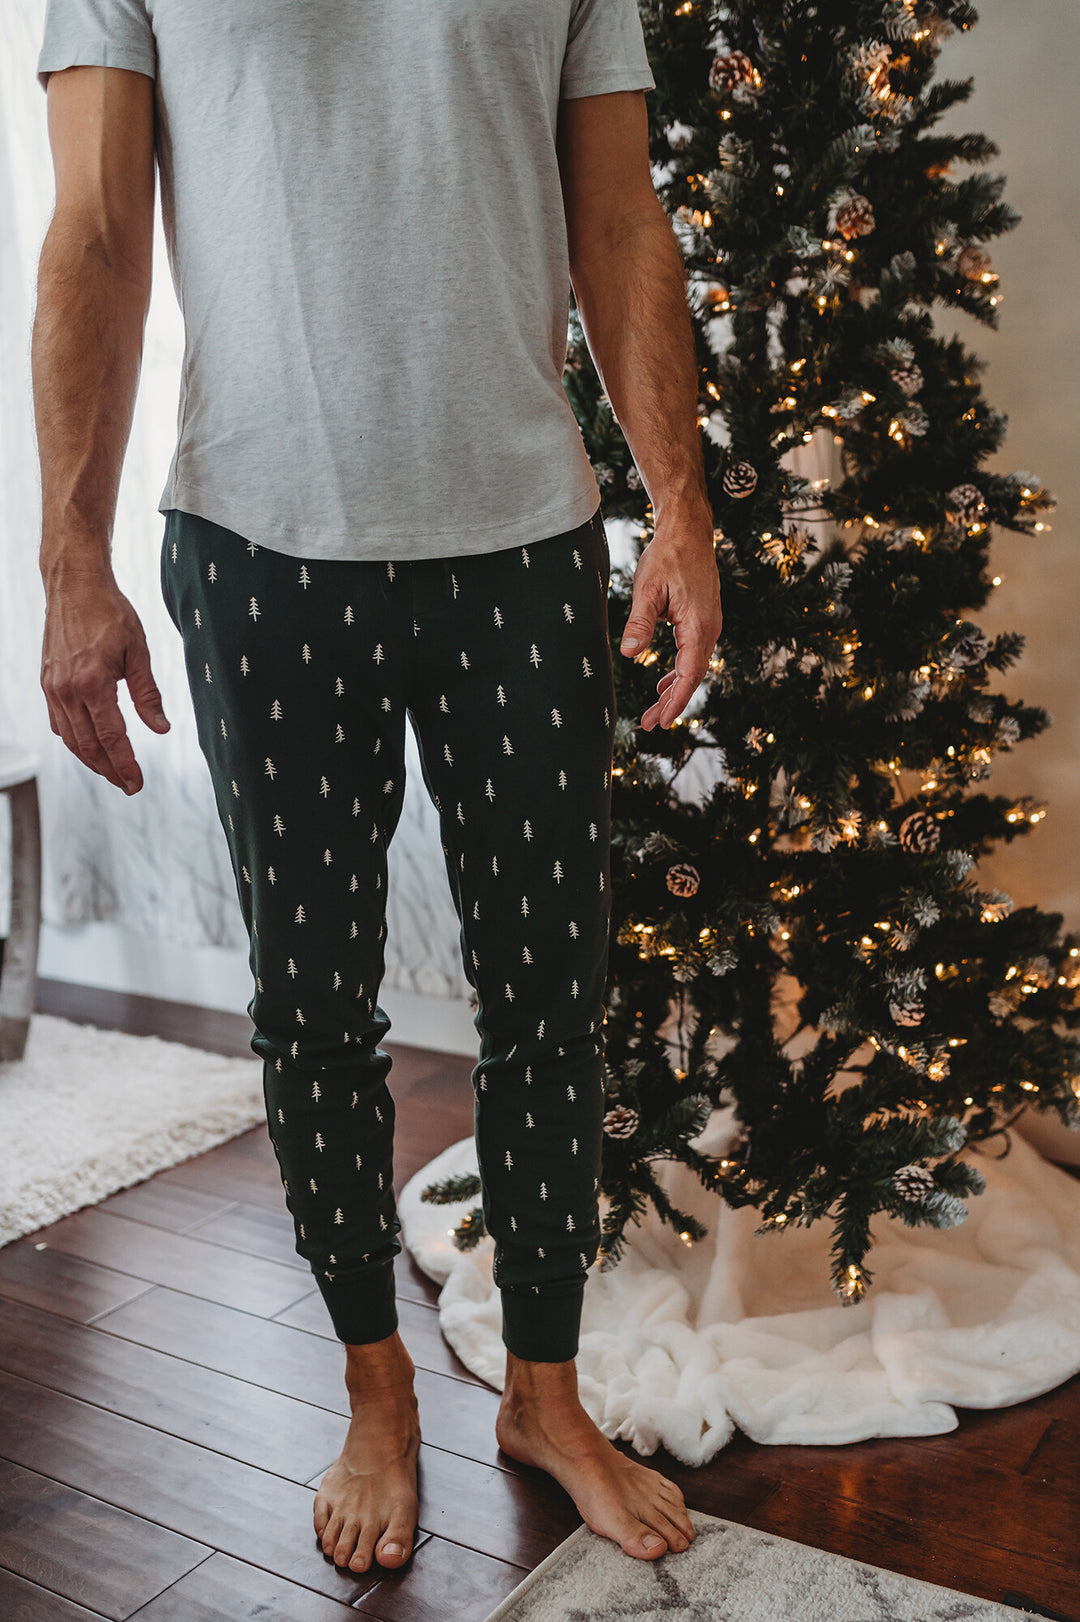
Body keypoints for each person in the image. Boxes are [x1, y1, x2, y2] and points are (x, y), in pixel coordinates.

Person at [32, 0, 724, 1579]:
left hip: (524, 544)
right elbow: (91, 230)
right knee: (314, 1005)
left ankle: (545, 1395)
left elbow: (617, 212)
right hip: (260, 548)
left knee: (550, 995)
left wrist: (679, 501)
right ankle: (376, 1384)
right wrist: (73, 552)